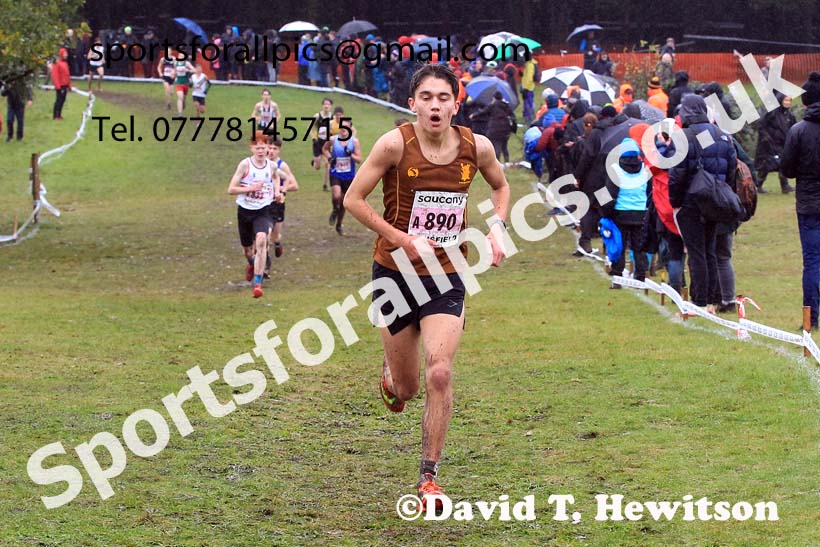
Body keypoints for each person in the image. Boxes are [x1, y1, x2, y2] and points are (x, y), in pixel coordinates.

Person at [343, 64, 509, 510]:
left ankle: (429, 478)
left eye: (443, 98)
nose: (435, 106)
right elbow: (353, 199)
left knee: (440, 372)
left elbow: (500, 186)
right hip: (394, 275)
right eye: (427, 97)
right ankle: (392, 375)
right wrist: (403, 239)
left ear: (456, 104)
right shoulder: (394, 144)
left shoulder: (477, 147)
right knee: (406, 390)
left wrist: (497, 227)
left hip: (447, 276)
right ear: (412, 103)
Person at [669, 94, 737, 313]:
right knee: (710, 250)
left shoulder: (684, 137)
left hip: (691, 201)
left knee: (697, 252)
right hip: (716, 201)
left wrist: (675, 201)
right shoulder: (723, 136)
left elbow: (677, 175)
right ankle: (714, 298)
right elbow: (731, 169)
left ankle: (699, 300)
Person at [781, 72, 820, 330]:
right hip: (810, 200)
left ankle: (811, 318)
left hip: (808, 203)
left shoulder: (798, 131)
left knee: (812, 261)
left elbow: (787, 169)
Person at [227, 132, 282, 298]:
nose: (260, 151)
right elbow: (231, 189)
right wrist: (251, 188)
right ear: (251, 148)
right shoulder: (245, 165)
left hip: (263, 210)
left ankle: (258, 283)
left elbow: (276, 177)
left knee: (261, 239)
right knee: (248, 250)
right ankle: (251, 263)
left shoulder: (271, 166)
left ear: (267, 148)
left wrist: (277, 192)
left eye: (263, 147)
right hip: (244, 211)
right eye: (257, 148)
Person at [603, 138, 650, 287]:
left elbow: (609, 193)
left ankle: (617, 276)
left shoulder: (615, 169)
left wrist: (605, 213)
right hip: (640, 213)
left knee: (619, 245)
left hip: (620, 213)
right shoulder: (645, 169)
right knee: (639, 247)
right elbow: (649, 190)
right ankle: (640, 277)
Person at [324, 110, 361, 235]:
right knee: (336, 196)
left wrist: (350, 154)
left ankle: (339, 224)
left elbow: (359, 159)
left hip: (349, 175)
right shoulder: (333, 139)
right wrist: (330, 158)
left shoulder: (354, 142)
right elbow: (324, 149)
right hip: (335, 173)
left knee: (344, 203)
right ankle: (335, 209)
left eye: (346, 126)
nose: (344, 129)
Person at [754, 92, 796, 194]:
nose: (787, 102)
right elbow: (761, 126)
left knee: (783, 164)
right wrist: (766, 138)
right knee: (765, 166)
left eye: (789, 100)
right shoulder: (771, 113)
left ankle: (785, 186)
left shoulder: (789, 115)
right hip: (769, 145)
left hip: (783, 144)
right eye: (785, 100)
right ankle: (758, 185)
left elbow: (793, 127)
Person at [267, 139, 299, 261]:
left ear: (279, 150)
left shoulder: (282, 166)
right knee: (264, 234)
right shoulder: (262, 163)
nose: (271, 151)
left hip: (278, 203)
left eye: (274, 149)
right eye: (270, 148)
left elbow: (295, 186)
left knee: (274, 236)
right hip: (264, 203)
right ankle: (265, 261)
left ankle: (277, 243)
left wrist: (278, 189)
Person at [469, 91, 515, 163]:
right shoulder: (506, 105)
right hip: (506, 129)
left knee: (496, 145)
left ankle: (497, 162)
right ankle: (507, 162)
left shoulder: (493, 105)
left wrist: (473, 115)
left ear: (494, 98)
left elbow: (483, 112)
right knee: (504, 146)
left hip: (495, 128)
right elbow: (512, 116)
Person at [312, 97, 334, 191]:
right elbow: (310, 128)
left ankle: (325, 185)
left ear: (331, 106)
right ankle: (314, 162)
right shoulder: (317, 116)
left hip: (327, 144)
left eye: (328, 104)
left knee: (327, 164)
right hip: (318, 143)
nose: (326, 106)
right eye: (325, 104)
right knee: (317, 167)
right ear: (322, 105)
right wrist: (313, 138)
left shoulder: (333, 118)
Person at [2, 76, 33, 142]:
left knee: (20, 121)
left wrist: (30, 99)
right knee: (9, 120)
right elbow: (3, 94)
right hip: (11, 105)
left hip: (20, 104)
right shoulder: (8, 83)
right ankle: (10, 136)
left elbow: (28, 89)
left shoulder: (22, 82)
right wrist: (7, 87)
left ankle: (19, 137)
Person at [52, 48, 71, 121]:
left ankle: (59, 115)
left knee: (63, 100)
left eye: (66, 53)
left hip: (65, 85)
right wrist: (58, 86)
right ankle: (55, 116)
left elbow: (67, 75)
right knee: (59, 100)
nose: (66, 55)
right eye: (65, 54)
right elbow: (55, 76)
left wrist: (69, 85)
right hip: (60, 86)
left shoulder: (65, 63)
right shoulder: (57, 63)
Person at [521, 57, 538, 122]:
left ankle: (529, 117)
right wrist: (522, 74)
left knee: (528, 103)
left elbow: (529, 78)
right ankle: (527, 115)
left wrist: (526, 88)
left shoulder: (530, 65)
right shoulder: (528, 64)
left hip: (528, 88)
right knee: (527, 102)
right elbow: (527, 76)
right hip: (528, 87)